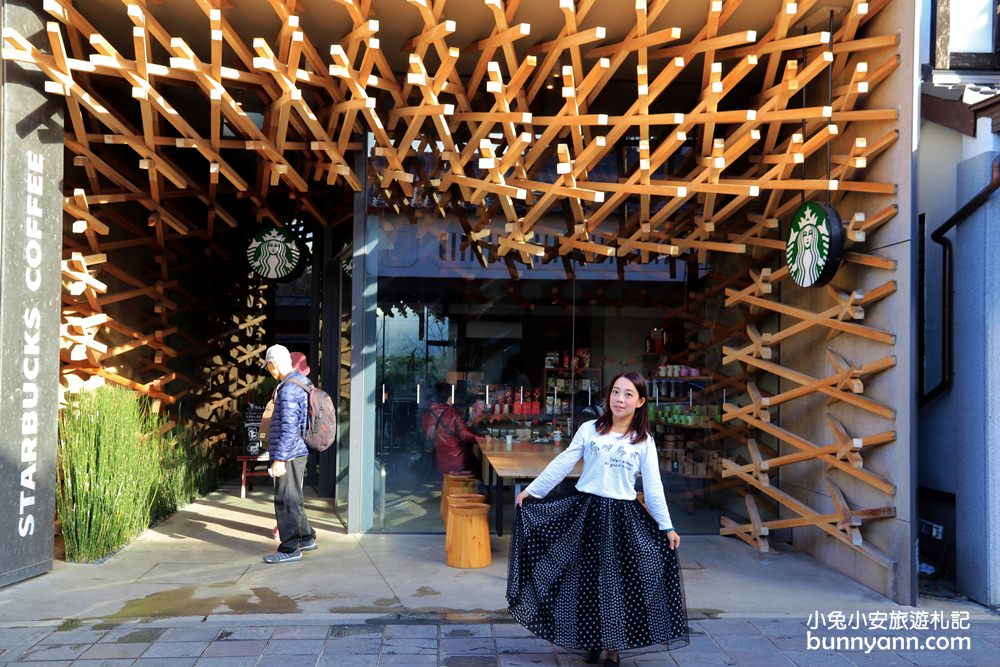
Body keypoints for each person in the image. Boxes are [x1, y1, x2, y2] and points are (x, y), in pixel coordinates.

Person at [509, 371, 689, 665]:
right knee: (584, 581)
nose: (620, 399)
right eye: (616, 392)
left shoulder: (643, 441)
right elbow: (564, 461)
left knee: (617, 584)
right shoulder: (590, 429)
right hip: (586, 514)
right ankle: (590, 638)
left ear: (640, 401)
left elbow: (653, 487)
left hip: (622, 519)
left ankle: (613, 648)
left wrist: (667, 526)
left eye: (628, 394)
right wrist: (533, 491)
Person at [261, 344, 317, 563]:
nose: (269, 371)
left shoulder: (288, 389)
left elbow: (288, 427)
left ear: (274, 364)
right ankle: (306, 537)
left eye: (268, 367)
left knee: (285, 499)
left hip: (290, 452)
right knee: (294, 496)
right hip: (297, 450)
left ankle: (290, 548)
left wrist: (280, 459)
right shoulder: (301, 383)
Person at [421, 382, 481, 475]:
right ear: (449, 397)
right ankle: (478, 488)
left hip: (437, 462)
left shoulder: (428, 413)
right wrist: (484, 438)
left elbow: (428, 435)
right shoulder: (452, 412)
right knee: (478, 462)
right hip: (456, 461)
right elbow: (465, 435)